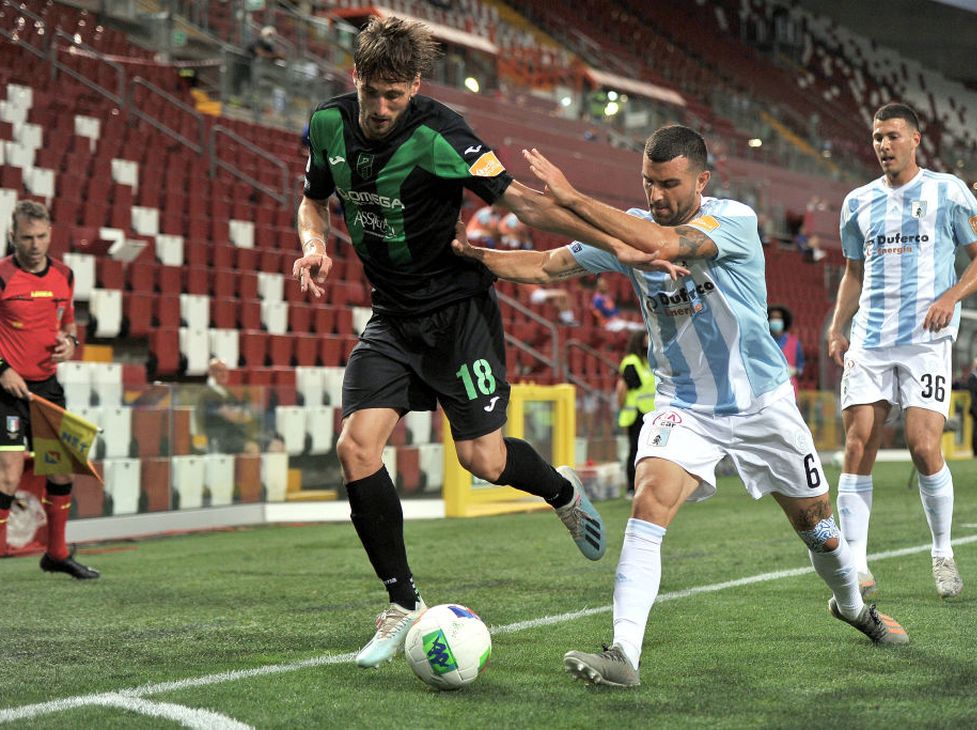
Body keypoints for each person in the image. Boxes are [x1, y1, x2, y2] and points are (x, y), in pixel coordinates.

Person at [453, 124, 909, 688]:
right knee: (649, 500)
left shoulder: (733, 221)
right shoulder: (632, 227)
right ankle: (624, 651)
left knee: (818, 528)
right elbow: (547, 265)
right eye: (648, 183)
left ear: (702, 180)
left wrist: (572, 199)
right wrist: (473, 256)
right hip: (684, 407)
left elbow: (665, 246)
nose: (655, 196)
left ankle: (851, 606)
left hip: (762, 406)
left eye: (668, 184)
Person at [290, 16, 679, 671]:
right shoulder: (327, 125)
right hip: (392, 318)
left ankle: (560, 491)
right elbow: (313, 201)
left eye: (395, 95)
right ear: (354, 78)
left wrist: (621, 245)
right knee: (356, 447)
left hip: (458, 314)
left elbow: (523, 205)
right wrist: (313, 245)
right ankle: (404, 604)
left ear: (414, 86)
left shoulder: (442, 135)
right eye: (371, 93)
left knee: (484, 461)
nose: (381, 109)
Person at [827, 102, 977, 600]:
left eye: (893, 136)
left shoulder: (948, 191)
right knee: (858, 444)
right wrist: (838, 327)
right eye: (877, 137)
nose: (883, 145)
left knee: (925, 448)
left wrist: (950, 296)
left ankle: (942, 551)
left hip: (926, 341)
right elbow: (853, 273)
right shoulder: (856, 202)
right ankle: (855, 561)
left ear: (916, 139)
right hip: (870, 340)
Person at [0, 201, 98, 579]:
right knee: (7, 476)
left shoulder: (64, 275)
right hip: (7, 391)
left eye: (41, 236)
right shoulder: (3, 275)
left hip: (47, 388)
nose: (35, 244)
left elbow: (68, 320)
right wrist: (3, 369)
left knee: (62, 473)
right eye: (27, 237)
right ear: (13, 237)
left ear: (50, 235)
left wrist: (70, 342)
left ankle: (56, 554)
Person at [615, 330, 653, 498]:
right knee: (636, 450)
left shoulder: (649, 362)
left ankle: (649, 485)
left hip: (651, 413)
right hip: (637, 413)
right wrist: (622, 406)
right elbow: (623, 388)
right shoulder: (631, 362)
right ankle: (631, 487)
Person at [199, 358, 259, 455]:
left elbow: (245, 412)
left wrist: (244, 414)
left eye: (225, 371)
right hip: (219, 437)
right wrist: (244, 415)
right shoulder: (209, 394)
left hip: (234, 435)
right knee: (252, 448)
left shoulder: (227, 393)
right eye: (219, 371)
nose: (224, 374)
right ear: (211, 373)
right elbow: (234, 416)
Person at [768, 305, 804, 393]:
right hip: (769, 387)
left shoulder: (795, 343)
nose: (775, 320)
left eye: (778, 318)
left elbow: (800, 368)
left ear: (784, 321)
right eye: (773, 318)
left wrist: (795, 371)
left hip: (789, 387)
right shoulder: (765, 341)